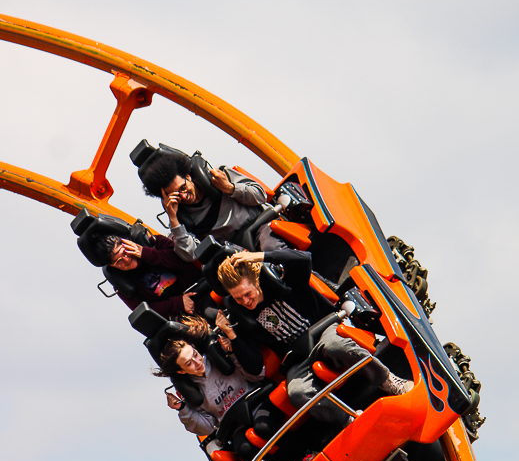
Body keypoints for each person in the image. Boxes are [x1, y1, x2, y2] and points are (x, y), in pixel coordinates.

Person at [217, 249, 413, 427]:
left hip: (322, 331)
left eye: (247, 294)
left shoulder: (283, 282)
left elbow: (304, 259)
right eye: (238, 299)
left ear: (257, 282)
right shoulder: (243, 317)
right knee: (296, 392)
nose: (245, 301)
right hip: (298, 355)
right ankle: (349, 420)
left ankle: (387, 379)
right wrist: (232, 335)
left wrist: (259, 257)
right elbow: (253, 365)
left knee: (336, 346)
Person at [137, 148, 285, 260]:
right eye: (176, 194)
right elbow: (190, 255)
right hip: (235, 251)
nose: (184, 195)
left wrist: (229, 188)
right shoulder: (181, 218)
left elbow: (260, 195)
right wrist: (174, 220)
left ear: (188, 177)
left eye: (183, 187)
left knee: (271, 250)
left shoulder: (217, 177)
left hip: (260, 227)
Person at [156, 312, 265, 436]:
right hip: (236, 427)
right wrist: (182, 409)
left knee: (263, 427)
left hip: (257, 404)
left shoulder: (219, 355)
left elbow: (257, 375)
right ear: (181, 371)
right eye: (189, 363)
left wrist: (233, 353)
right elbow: (207, 428)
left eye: (195, 355)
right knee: (244, 448)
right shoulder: (191, 390)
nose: (197, 362)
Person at [89, 230, 203, 318]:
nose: (126, 260)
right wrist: (178, 304)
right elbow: (146, 310)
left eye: (125, 252)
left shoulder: (154, 243)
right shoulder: (123, 285)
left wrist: (144, 253)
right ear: (112, 266)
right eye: (119, 262)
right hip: (186, 314)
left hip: (203, 285)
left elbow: (182, 261)